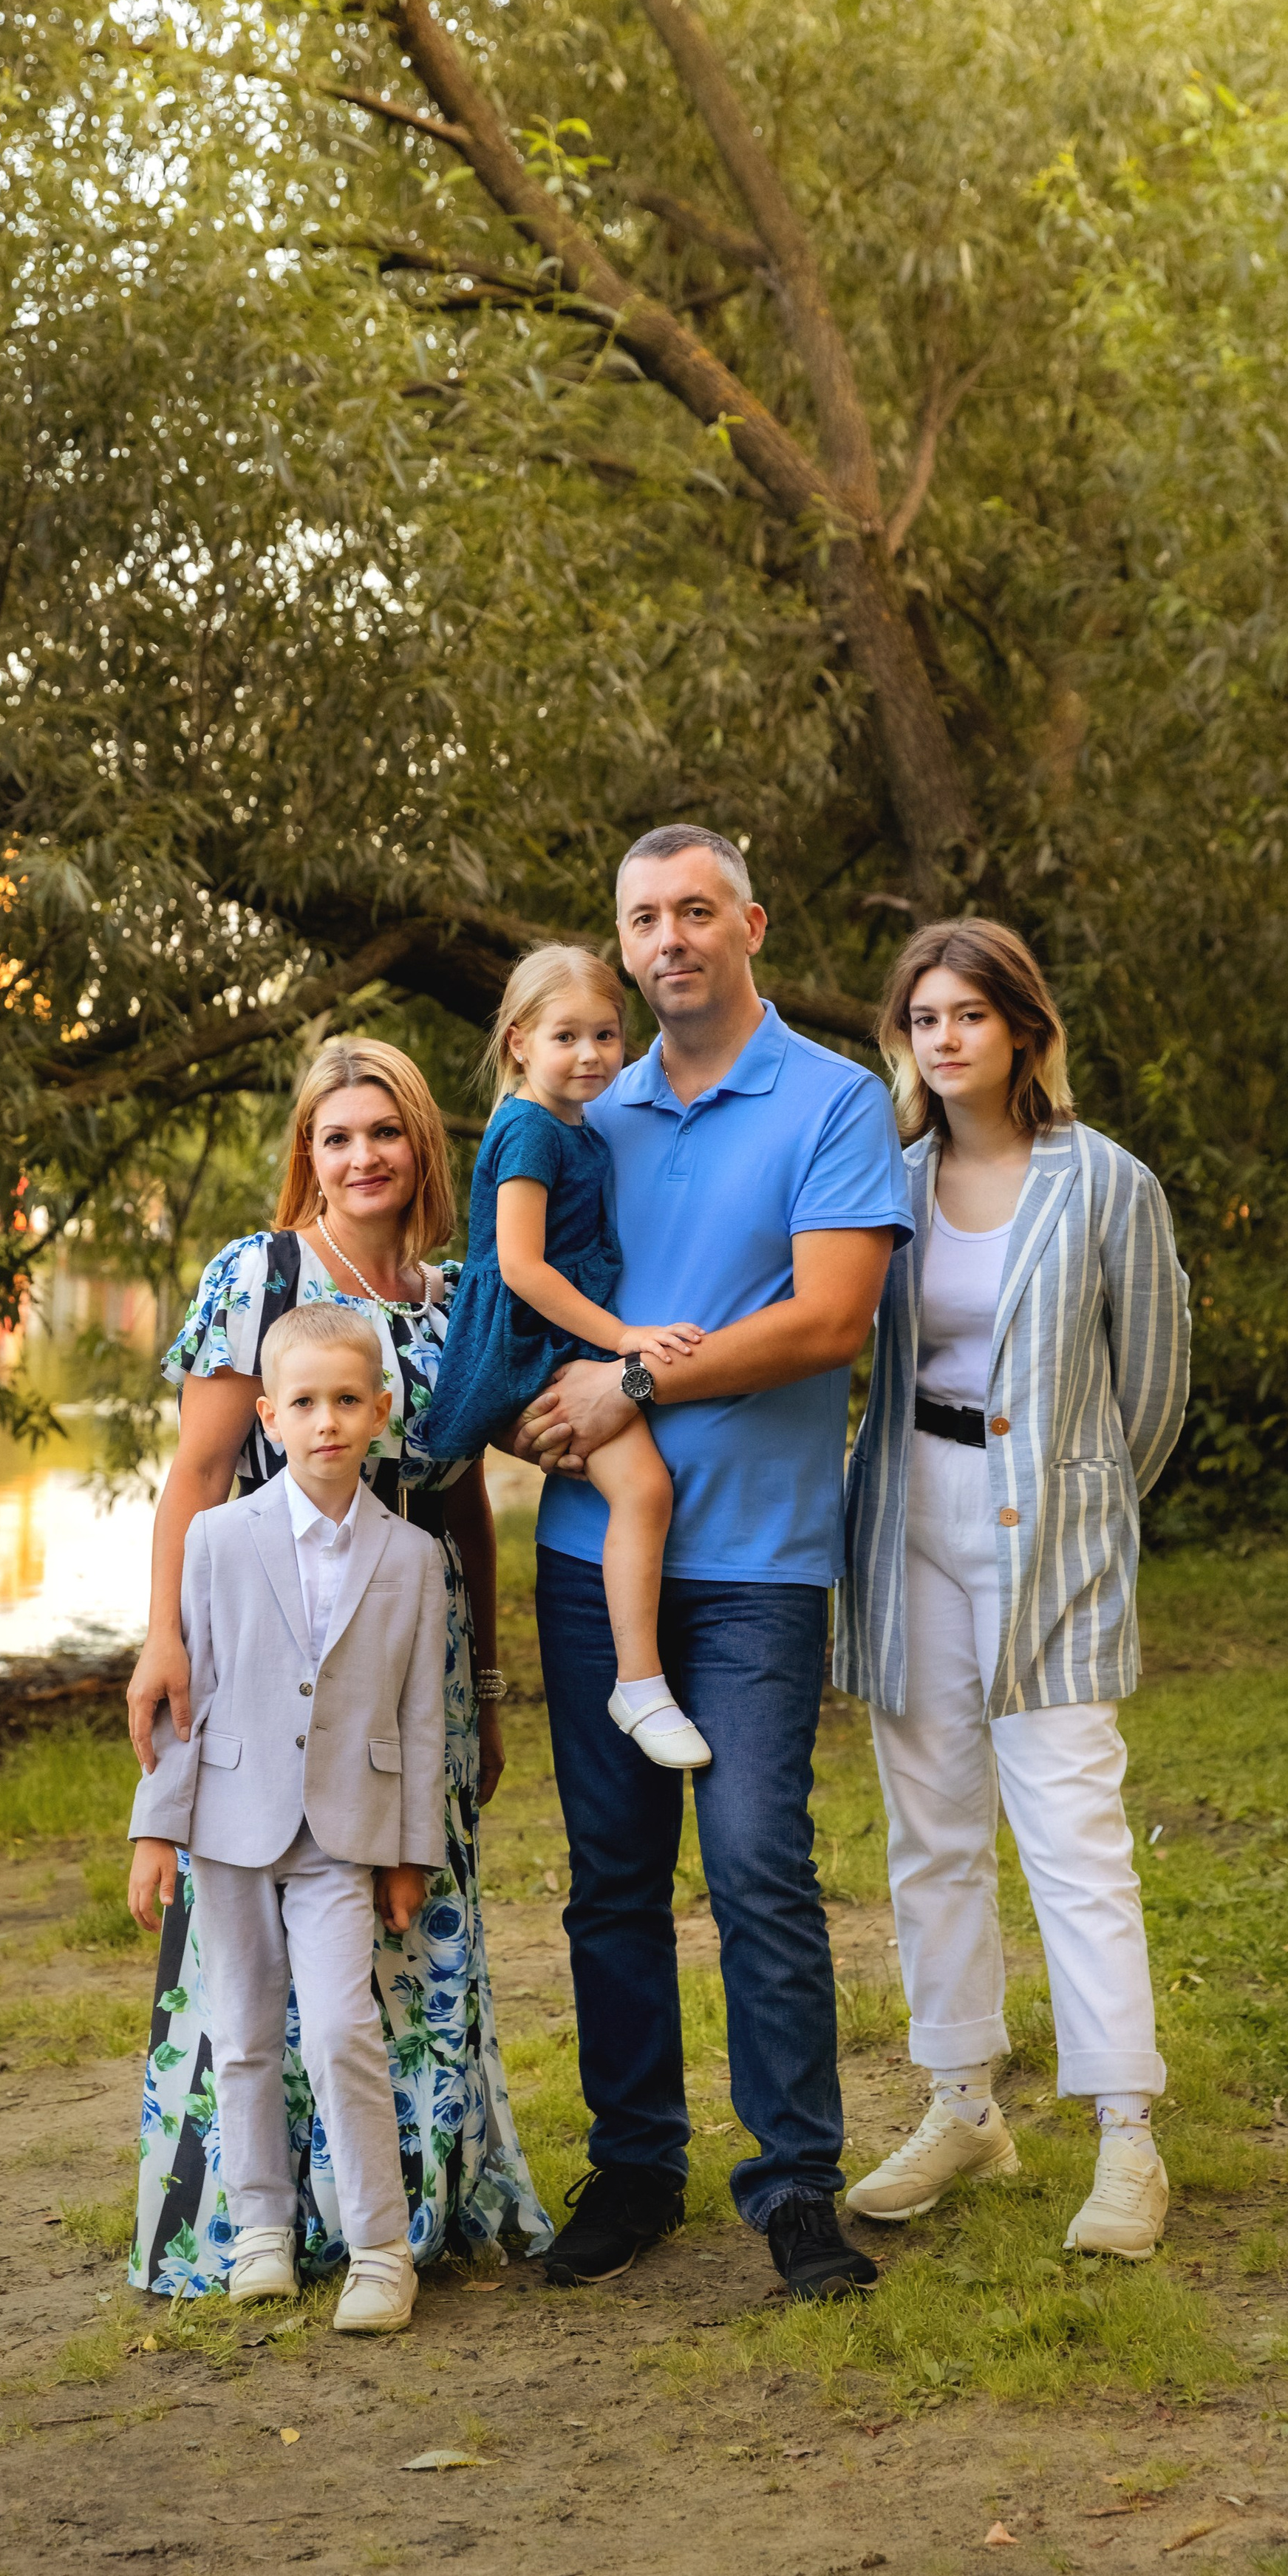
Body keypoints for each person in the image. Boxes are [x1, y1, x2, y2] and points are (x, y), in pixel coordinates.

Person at [513, 826, 913, 2300]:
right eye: (641, 919)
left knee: (753, 1861)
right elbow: (521, 1305)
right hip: (585, 1554)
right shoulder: (584, 1111)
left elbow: (825, 1322)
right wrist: (521, 1414)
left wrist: (631, 1391)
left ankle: (795, 2184)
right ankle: (634, 2170)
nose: (669, 937)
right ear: (617, 946)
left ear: (747, 922)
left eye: (694, 910)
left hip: (753, 1558)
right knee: (610, 1879)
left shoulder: (829, 1100)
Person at [123, 1037, 549, 2295]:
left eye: (385, 1132)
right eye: (335, 1136)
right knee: (256, 1965)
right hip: (262, 1652)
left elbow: (462, 1500)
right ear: (306, 1153)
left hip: (412, 1645)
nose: (362, 1157)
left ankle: (401, 2220)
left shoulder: (457, 1294)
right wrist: (163, 1636)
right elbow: (199, 1477)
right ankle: (259, 2225)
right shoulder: (260, 1278)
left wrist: (484, 1689)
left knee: (409, 1949)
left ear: (422, 1144)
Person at [835, 919, 1190, 2260]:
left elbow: (1152, 1387)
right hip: (906, 1517)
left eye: (969, 1014)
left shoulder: (1107, 1184)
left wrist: (1081, 1493)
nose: (945, 1036)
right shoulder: (893, 1181)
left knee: (1074, 1838)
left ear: (1023, 1031)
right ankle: (963, 2100)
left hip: (1051, 1533)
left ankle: (1125, 2133)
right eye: (924, 1017)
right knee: (930, 1829)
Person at [129, 1304, 449, 2334]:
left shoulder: (411, 1558)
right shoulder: (218, 1541)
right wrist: (153, 1829)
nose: (326, 1422)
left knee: (344, 2032)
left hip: (344, 1836)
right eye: (304, 1403)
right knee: (244, 2032)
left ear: (379, 1411)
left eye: (347, 1401)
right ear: (268, 1415)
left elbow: (420, 1718)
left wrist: (412, 1854)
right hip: (228, 1822)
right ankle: (261, 2232)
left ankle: (380, 2250)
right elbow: (190, 1696)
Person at [421, 944, 709, 1771]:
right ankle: (639, 1682)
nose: (590, 1055)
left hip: (561, 1336)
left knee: (644, 1490)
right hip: (531, 1342)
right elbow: (518, 1265)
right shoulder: (527, 1130)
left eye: (607, 1036)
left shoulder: (576, 1128)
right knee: (645, 1487)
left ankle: (638, 1678)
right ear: (518, 1042)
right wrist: (622, 1339)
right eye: (566, 1037)